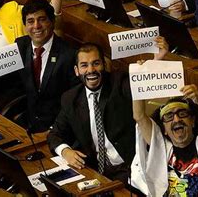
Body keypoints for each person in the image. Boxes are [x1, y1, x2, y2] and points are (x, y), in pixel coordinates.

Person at [47, 39, 167, 184]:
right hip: (95, 169)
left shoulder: (119, 82)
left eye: (96, 63)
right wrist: (66, 152)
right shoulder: (70, 98)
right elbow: (55, 134)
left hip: (129, 169)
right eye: (84, 65)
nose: (91, 70)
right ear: (76, 70)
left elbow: (137, 85)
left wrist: (154, 64)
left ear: (104, 65)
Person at [15, 0, 79, 132]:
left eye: (42, 19)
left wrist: (55, 130)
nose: (36, 26)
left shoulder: (69, 55)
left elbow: (75, 102)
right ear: (25, 25)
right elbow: (5, 83)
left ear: (52, 22)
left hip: (59, 129)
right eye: (30, 21)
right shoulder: (20, 46)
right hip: (29, 123)